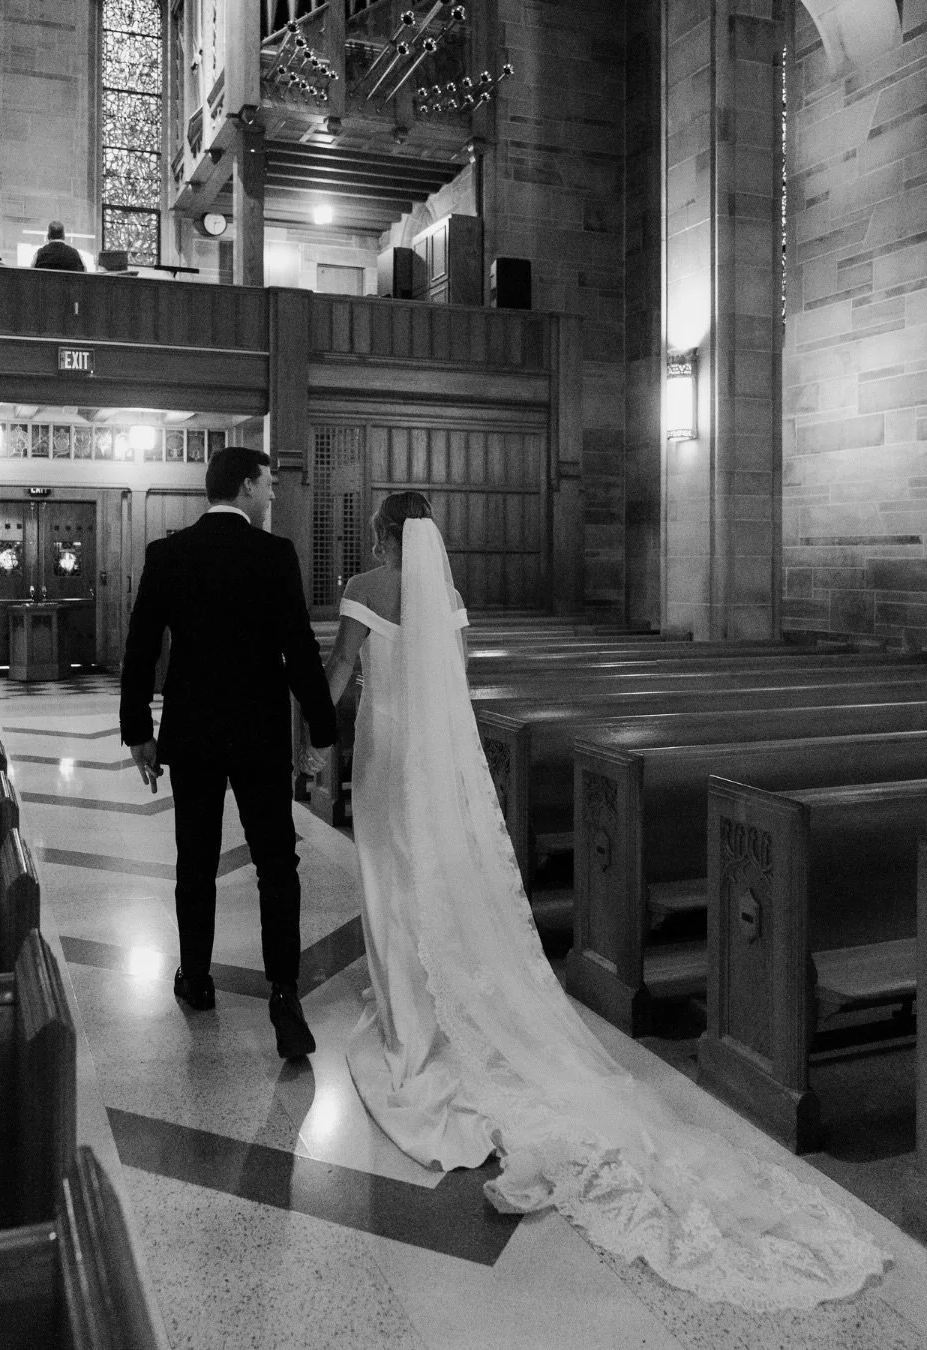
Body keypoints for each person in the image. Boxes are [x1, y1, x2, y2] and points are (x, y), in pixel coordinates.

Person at [315, 490, 889, 1312]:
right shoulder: (444, 594)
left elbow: (341, 671)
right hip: (431, 756)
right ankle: (436, 1004)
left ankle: (411, 1018)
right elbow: (456, 680)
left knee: (388, 879)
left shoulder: (366, 587)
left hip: (385, 748)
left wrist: (313, 730)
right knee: (431, 874)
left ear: (382, 534)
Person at [120, 446, 337, 1059]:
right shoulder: (274, 554)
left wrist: (138, 730)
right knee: (277, 863)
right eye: (268, 485)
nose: (272, 495)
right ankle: (285, 995)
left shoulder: (168, 554)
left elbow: (141, 648)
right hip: (259, 733)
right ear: (244, 486)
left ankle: (196, 979)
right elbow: (299, 648)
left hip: (191, 732)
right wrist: (322, 730)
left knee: (195, 860)